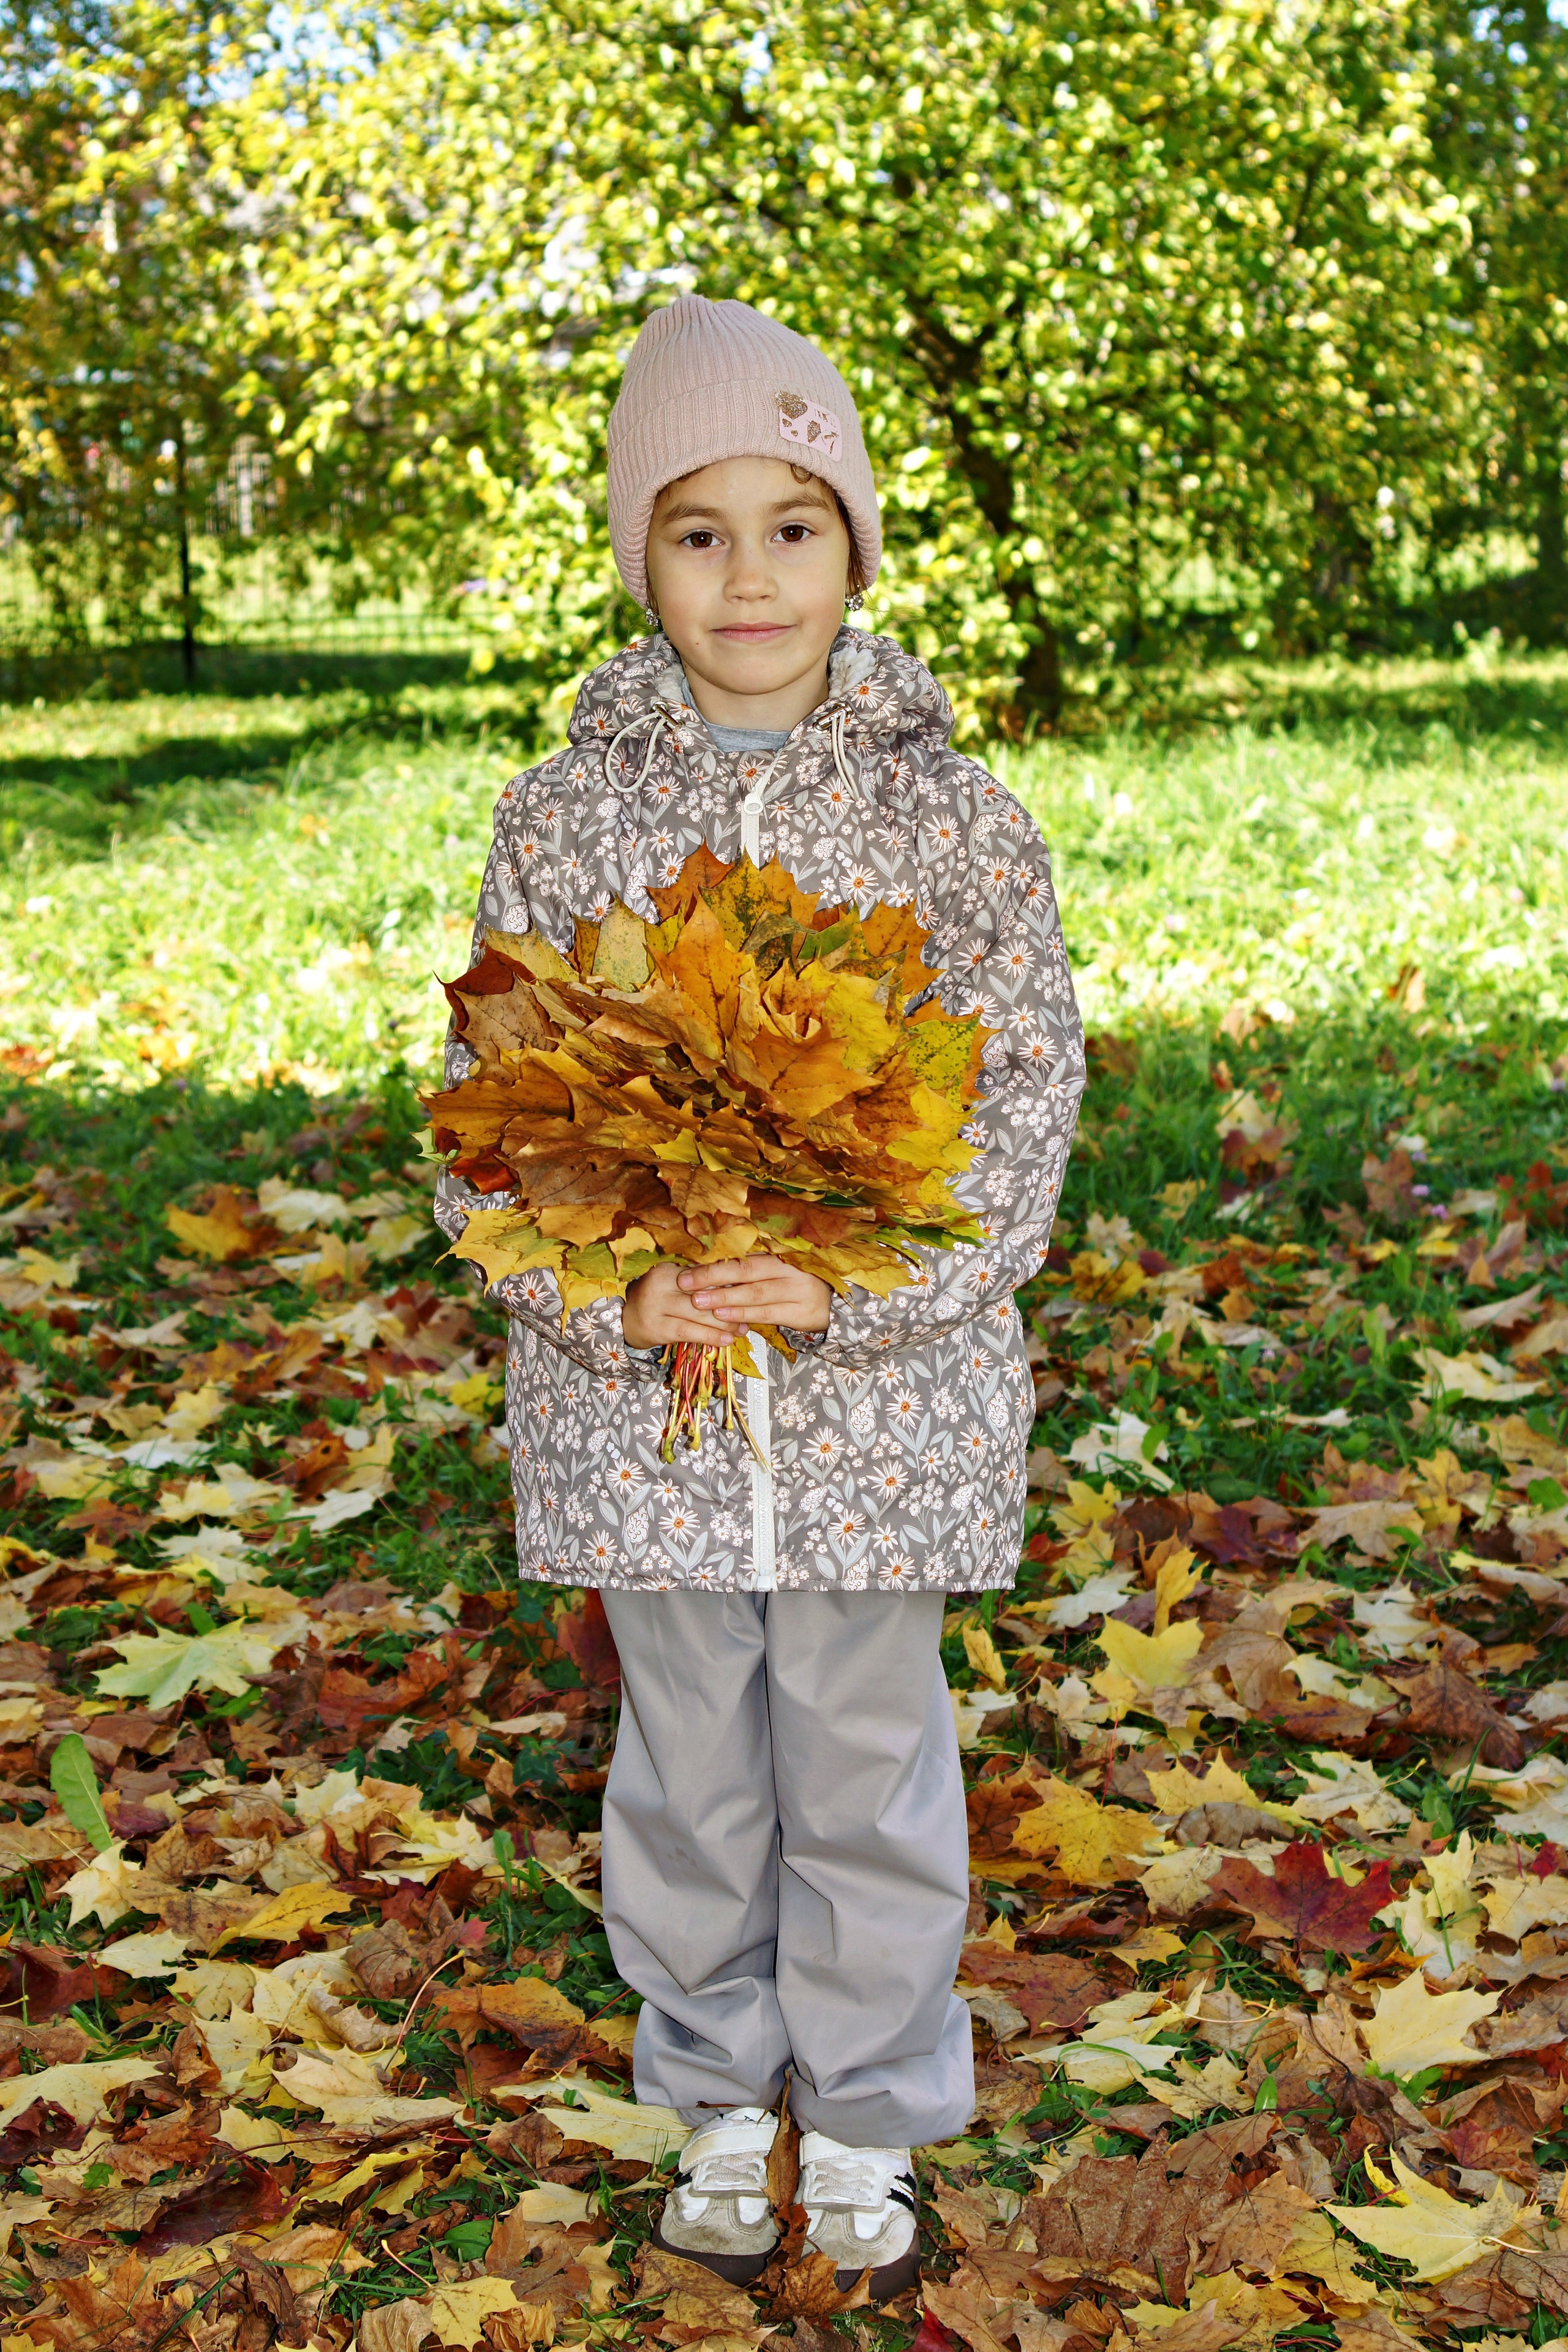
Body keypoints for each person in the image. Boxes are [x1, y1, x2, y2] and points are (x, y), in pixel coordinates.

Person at [435, 295, 1084, 2297]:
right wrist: (605, 1297)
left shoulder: (951, 820)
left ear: (856, 551)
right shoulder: (564, 820)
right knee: (693, 1762)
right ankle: (720, 2077)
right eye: (696, 528)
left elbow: (1025, 1096)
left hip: (878, 1411)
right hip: (650, 1407)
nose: (747, 575)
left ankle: (873, 2105)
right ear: (641, 555)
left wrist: (851, 1287)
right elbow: (492, 1118)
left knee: (867, 1760)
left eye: (793, 524)